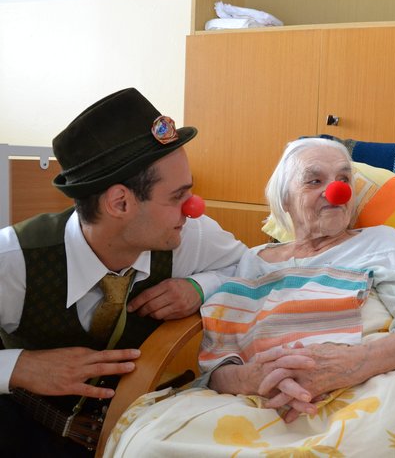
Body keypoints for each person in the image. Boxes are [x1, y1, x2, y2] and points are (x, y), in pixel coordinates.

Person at [104, 137, 395, 457]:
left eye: (344, 179)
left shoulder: (379, 241)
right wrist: (250, 378)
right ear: (285, 201)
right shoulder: (253, 261)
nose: (336, 190)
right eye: (314, 180)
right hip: (264, 398)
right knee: (148, 442)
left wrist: (354, 363)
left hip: (366, 384)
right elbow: (220, 360)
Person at [0, 88, 248, 457]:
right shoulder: (13, 259)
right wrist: (17, 367)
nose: (194, 208)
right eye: (177, 196)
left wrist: (200, 287)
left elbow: (252, 268)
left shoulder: (189, 235)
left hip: (132, 434)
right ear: (120, 202)